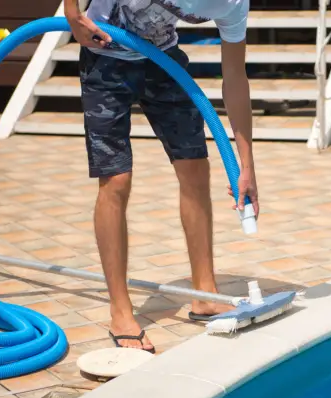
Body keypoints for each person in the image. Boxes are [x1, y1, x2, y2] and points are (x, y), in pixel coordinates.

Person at [64, 0, 260, 353]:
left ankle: (204, 292)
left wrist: (246, 166)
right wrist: (73, 16)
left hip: (163, 60)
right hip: (104, 57)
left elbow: (235, 77)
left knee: (196, 168)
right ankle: (120, 309)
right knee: (116, 179)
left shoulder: (234, 4)